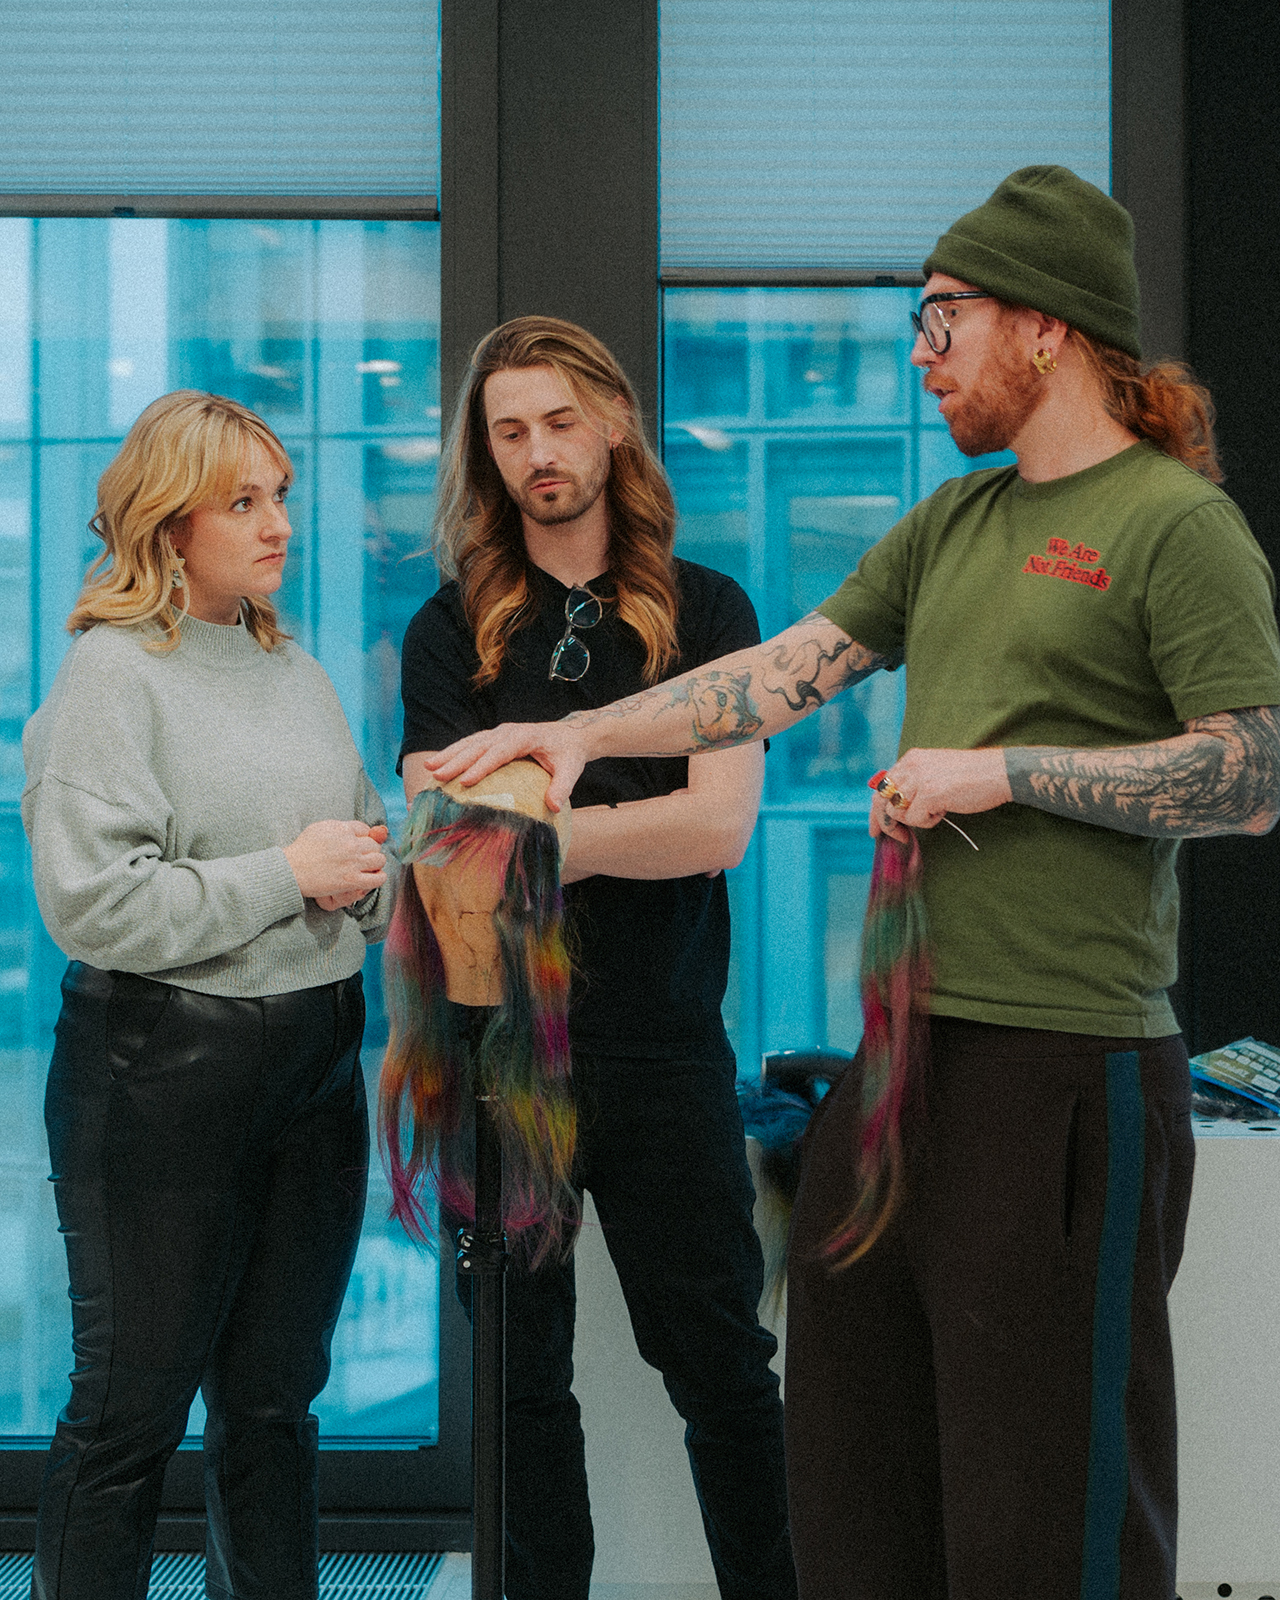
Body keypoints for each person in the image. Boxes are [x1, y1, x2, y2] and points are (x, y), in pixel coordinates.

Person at [423, 170, 1280, 1598]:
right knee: (859, 1477)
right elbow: (773, 678)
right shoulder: (953, 525)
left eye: (944, 320)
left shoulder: (1172, 528)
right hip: (902, 1067)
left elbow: (1248, 777)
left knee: (1042, 1499)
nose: (921, 351)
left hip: (1068, 1068)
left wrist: (1006, 773)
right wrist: (577, 730)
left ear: (1046, 326)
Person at [398, 316, 796, 1600]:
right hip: (498, 1056)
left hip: (664, 1050)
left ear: (612, 422)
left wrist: (542, 820)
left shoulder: (711, 607)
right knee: (519, 1392)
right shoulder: (448, 628)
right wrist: (622, 827)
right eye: (507, 432)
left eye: (557, 421)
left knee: (724, 1374)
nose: (535, 454)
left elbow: (719, 827)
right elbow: (453, 849)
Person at [21, 390, 395, 1600]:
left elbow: (362, 852)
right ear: (168, 526)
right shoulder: (111, 675)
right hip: (158, 1075)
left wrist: (381, 877)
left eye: (280, 494)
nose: (278, 522)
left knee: (277, 1409)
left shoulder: (297, 670)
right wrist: (288, 874)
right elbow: (96, 904)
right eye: (243, 501)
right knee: (128, 1416)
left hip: (316, 1060)